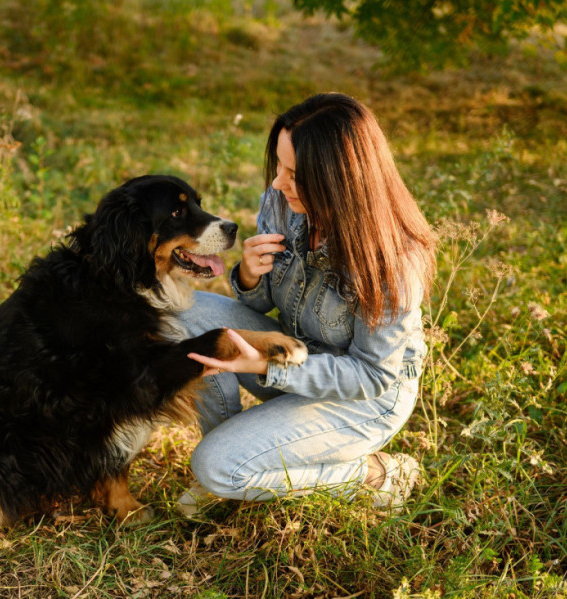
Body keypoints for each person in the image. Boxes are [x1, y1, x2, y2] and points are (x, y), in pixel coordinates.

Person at [177, 93, 437, 515]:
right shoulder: (283, 203)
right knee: (186, 313)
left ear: (340, 180)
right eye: (279, 166)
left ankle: (374, 476)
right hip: (294, 350)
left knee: (213, 466)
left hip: (365, 398)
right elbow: (262, 306)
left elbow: (371, 376)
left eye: (295, 174)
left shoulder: (393, 260)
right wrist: (247, 275)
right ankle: (235, 465)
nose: (278, 183)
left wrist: (268, 365)